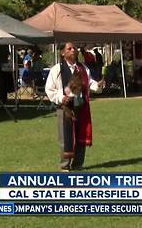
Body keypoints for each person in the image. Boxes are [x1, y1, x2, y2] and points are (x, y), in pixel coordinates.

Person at [45, 42, 104, 171]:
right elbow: (49, 89)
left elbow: (90, 83)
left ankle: (78, 164)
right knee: (66, 137)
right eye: (69, 48)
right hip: (65, 108)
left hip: (81, 107)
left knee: (80, 136)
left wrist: (97, 85)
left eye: (74, 48)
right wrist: (61, 98)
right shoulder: (57, 69)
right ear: (62, 53)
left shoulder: (83, 68)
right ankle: (65, 166)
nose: (73, 50)